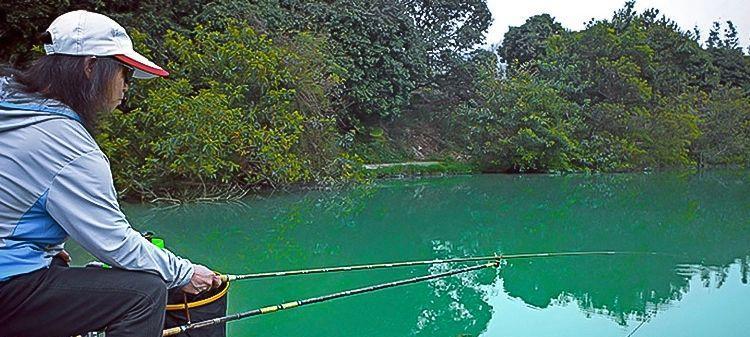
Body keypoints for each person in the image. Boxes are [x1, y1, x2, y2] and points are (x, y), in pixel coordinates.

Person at [0, 10, 222, 337]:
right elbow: (115, 243)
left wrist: (36, 247)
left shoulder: (12, 104)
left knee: (59, 264)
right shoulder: (69, 147)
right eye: (124, 74)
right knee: (144, 294)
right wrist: (184, 273)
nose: (126, 88)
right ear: (91, 66)